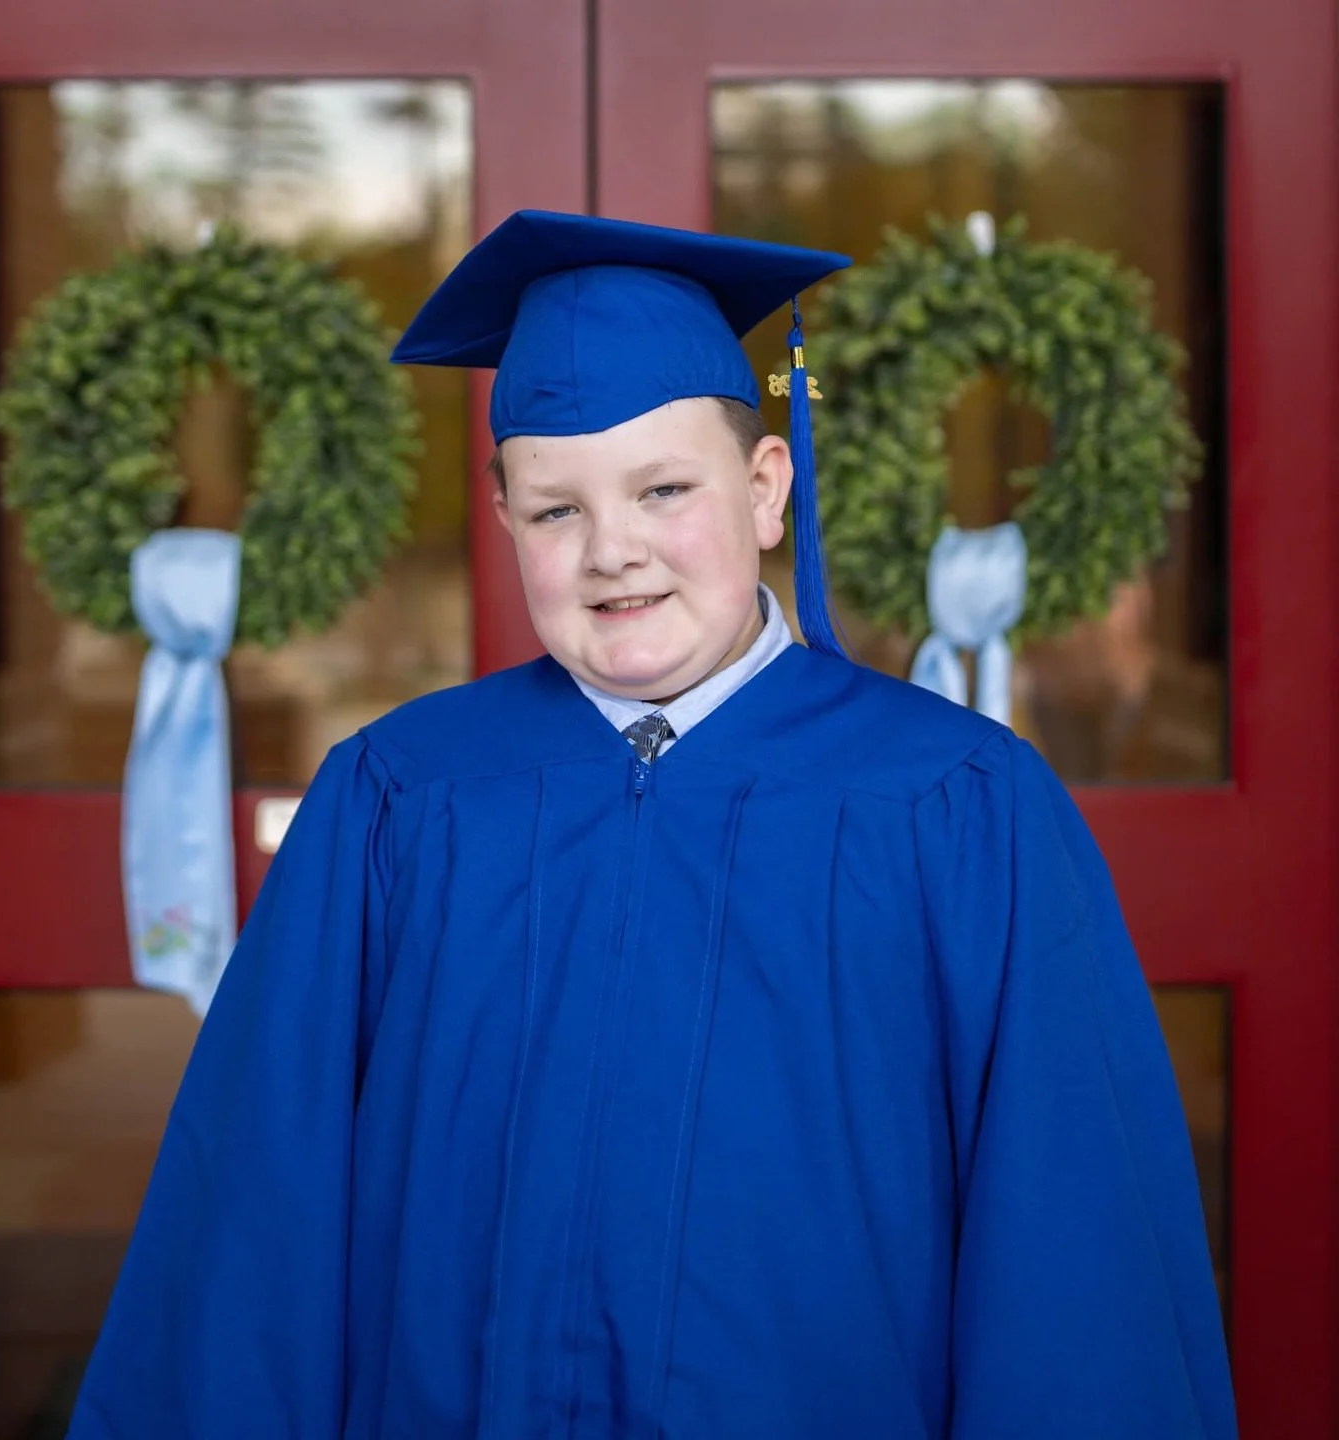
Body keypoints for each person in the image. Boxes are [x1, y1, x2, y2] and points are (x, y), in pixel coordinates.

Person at [66, 211, 1237, 1438]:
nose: (613, 553)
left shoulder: (956, 804)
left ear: (767, 487)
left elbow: (1070, 1244)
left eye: (665, 488)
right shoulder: (400, 798)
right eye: (557, 509)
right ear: (507, 517)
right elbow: (258, 1211)